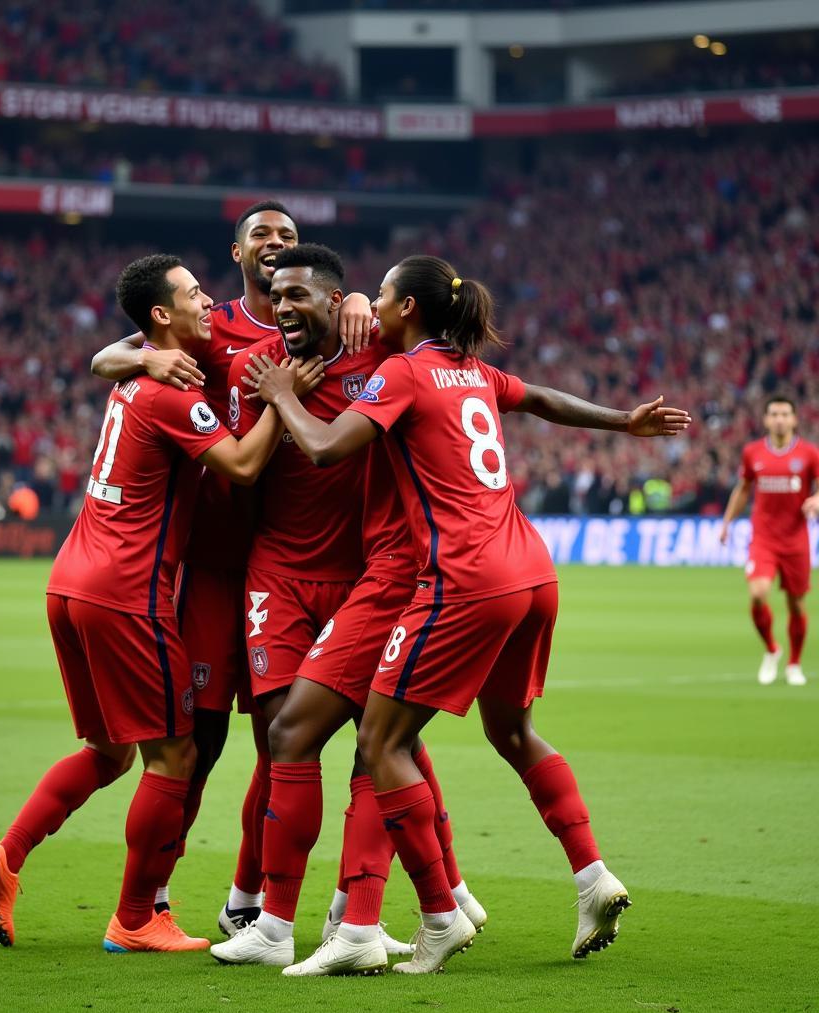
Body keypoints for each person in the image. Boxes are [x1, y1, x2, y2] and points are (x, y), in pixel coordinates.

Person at [246, 254, 691, 973]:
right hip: (531, 569)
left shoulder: (406, 371)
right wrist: (623, 422)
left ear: (408, 310)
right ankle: (590, 875)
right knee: (512, 729)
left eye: (382, 296)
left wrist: (279, 395)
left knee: (381, 745)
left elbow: (325, 448)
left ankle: (437, 915)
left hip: (465, 575)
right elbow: (542, 398)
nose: (374, 307)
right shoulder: (472, 371)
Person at [0, 254, 322, 954]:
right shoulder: (171, 389)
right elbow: (246, 464)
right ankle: (136, 918)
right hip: (129, 592)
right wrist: (284, 400)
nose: (206, 301)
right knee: (175, 754)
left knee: (108, 750)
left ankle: (6, 858)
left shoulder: (138, 374)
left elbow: (113, 357)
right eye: (193, 294)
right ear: (161, 315)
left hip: (71, 580)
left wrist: (136, 359)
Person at [90, 202, 373, 926]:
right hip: (220, 564)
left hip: (300, 558)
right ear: (238, 252)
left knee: (283, 738)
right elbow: (106, 357)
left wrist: (364, 300)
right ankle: (152, 890)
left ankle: (249, 902)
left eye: (286, 236)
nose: (275, 246)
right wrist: (145, 354)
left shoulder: (328, 319)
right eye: (262, 237)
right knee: (204, 739)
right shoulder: (212, 327)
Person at [210, 244, 471, 969]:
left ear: (336, 299)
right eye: (275, 295)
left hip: (366, 581)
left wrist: (361, 306)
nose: (284, 306)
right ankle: (272, 912)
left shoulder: (383, 351)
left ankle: (363, 914)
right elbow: (241, 470)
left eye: (300, 295)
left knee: (377, 743)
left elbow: (432, 327)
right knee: (282, 739)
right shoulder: (253, 368)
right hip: (279, 576)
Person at [720, 396, 819, 685]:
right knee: (758, 593)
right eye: (774, 414)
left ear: (794, 419)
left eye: (785, 414)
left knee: (796, 605)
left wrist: (815, 499)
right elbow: (743, 489)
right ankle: (772, 650)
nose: (779, 419)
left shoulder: (810, 454)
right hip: (763, 538)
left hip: (796, 539)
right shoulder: (752, 453)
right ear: (765, 419)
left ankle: (794, 663)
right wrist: (727, 522)